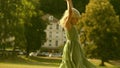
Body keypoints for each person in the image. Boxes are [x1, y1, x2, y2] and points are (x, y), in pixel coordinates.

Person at [59, 0, 96, 68]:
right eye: (76, 19)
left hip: (76, 46)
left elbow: (71, 10)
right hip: (72, 47)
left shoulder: (72, 25)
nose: (77, 21)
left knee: (80, 61)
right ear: (71, 18)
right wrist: (68, 1)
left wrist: (71, 3)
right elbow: (70, 12)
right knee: (75, 63)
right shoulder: (68, 24)